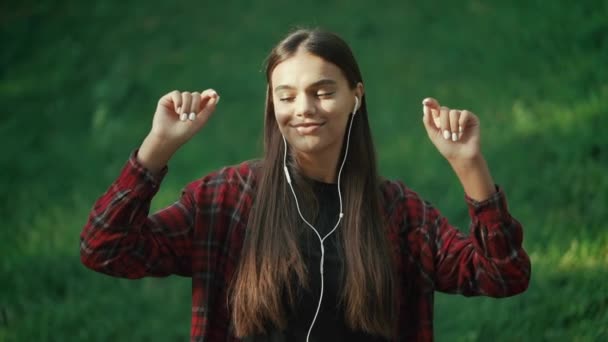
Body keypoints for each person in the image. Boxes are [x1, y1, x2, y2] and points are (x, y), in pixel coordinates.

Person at [80, 28, 530, 341]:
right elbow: (105, 247)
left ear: (356, 96)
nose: (304, 108)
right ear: (272, 103)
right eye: (287, 95)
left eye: (323, 91)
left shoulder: (398, 212)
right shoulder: (227, 199)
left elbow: (502, 275)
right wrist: (158, 146)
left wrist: (469, 165)